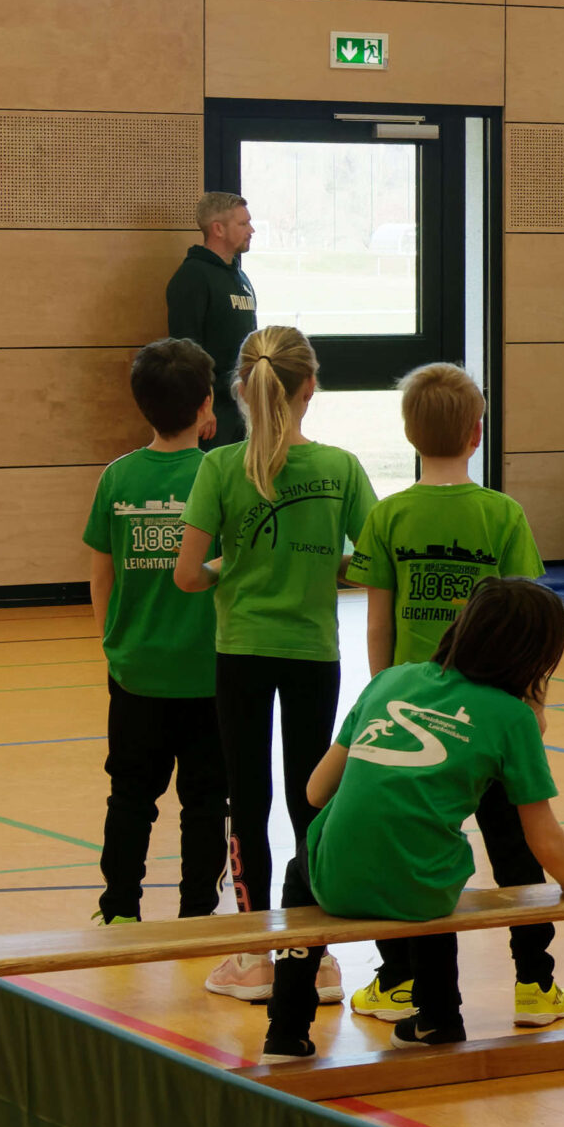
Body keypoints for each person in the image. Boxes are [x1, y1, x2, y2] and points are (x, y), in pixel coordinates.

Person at [269, 578, 564, 1059]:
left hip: (333, 880)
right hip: (419, 892)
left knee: (301, 869)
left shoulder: (391, 680)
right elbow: (541, 832)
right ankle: (439, 1019)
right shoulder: (512, 718)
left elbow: (314, 791)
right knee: (433, 869)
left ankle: (285, 1032)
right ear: (539, 656)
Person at [341, 363, 564, 1031]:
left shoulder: (388, 515)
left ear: (409, 434)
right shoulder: (502, 514)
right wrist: (533, 701)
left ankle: (398, 982)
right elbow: (531, 623)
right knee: (515, 849)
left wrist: (379, 696)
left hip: (413, 716)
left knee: (401, 851)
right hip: (490, 719)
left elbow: (377, 624)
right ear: (477, 433)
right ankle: (535, 985)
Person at [173, 325, 375, 1007]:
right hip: (314, 653)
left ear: (241, 389)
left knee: (248, 801)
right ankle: (315, 956)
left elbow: (187, 576)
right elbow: (371, 564)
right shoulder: (341, 468)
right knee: (310, 799)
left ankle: (255, 953)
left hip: (242, 653)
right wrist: (322, 568)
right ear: (310, 386)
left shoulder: (219, 468)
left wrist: (229, 566)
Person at [82, 338, 229, 926]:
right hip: (209, 673)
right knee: (206, 802)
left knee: (130, 796)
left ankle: (119, 908)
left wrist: (113, 642)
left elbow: (101, 574)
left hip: (136, 671)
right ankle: (198, 913)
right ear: (206, 404)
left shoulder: (118, 477)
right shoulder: (221, 474)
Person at [166, 191, 258, 449]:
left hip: (240, 405)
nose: (251, 230)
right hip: (212, 414)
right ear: (218, 229)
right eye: (243, 223)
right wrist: (201, 407)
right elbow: (186, 352)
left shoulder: (240, 277)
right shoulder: (193, 277)